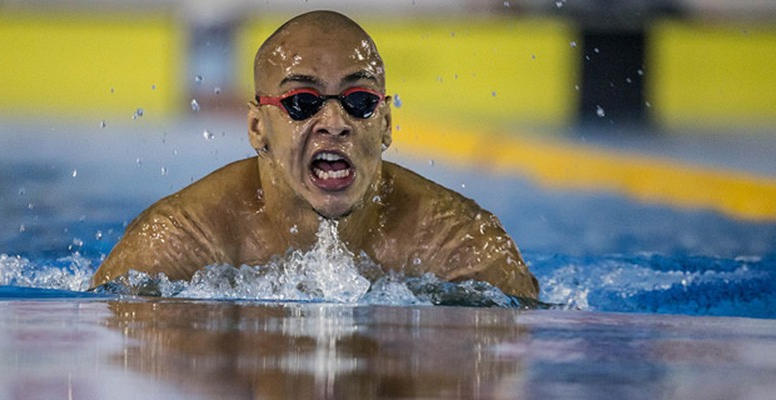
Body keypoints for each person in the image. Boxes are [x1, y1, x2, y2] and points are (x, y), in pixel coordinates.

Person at [91, 10, 539, 299]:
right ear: (256, 127)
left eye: (359, 100)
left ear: (385, 124)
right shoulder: (177, 243)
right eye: (302, 102)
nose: (334, 121)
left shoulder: (460, 246)